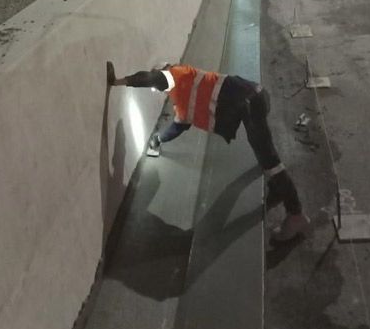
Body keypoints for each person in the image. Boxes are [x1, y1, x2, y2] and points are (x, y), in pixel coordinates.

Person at [106, 61, 310, 242]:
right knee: (263, 153)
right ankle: (277, 190)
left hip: (248, 103)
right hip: (253, 95)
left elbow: (150, 78)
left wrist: (117, 81)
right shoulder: (183, 97)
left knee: (271, 163)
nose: (160, 89)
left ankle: (296, 215)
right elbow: (179, 125)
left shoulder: (175, 76)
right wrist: (158, 139)